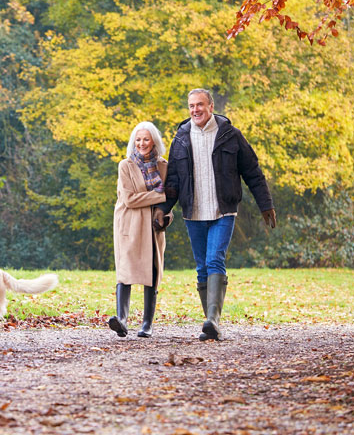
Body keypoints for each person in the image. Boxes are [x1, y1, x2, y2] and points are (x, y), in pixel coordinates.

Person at [163, 89, 276, 342]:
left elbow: (253, 171)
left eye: (200, 105)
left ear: (211, 106)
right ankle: (210, 325)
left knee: (215, 259)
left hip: (223, 210)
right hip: (193, 212)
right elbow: (173, 180)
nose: (195, 110)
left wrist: (265, 204)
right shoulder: (181, 138)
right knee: (202, 267)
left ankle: (213, 319)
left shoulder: (230, 136)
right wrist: (164, 209)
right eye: (191, 106)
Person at [110, 122, 174, 338]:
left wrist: (166, 215)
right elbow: (129, 199)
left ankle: (147, 324)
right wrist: (162, 195)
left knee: (152, 271)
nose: (142, 143)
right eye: (138, 139)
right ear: (133, 142)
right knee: (125, 271)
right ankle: (122, 320)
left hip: (153, 226)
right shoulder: (125, 166)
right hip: (129, 223)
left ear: (154, 141)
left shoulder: (165, 166)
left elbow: (170, 203)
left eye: (146, 139)